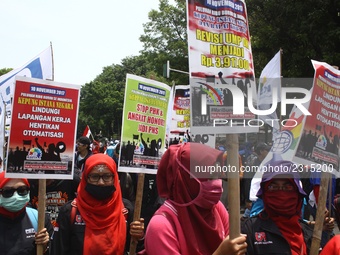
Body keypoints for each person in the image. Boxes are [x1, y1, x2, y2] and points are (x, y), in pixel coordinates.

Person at [141, 142, 247, 255]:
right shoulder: (161, 225)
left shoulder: (217, 208)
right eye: (209, 177)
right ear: (187, 180)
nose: (216, 183)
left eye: (217, 176)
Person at [52, 153, 143, 255]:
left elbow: (136, 248)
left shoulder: (125, 209)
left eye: (107, 176)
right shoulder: (69, 212)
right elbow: (58, 250)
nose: (101, 182)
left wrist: (139, 236)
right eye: (94, 176)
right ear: (86, 178)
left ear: (114, 178)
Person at [242, 160, 313, 255]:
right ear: (265, 192)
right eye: (273, 187)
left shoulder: (307, 232)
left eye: (288, 187)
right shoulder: (249, 231)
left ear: (297, 192)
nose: (281, 192)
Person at [0, 172, 53, 254]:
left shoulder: (39, 219)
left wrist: (45, 245)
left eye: (22, 190)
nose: (16, 196)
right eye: (8, 192)